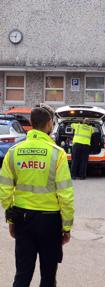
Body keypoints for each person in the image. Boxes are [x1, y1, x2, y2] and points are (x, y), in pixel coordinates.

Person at [0, 106, 74, 287]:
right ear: (49, 124)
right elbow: (65, 194)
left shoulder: (14, 151)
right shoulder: (57, 153)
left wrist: (11, 219)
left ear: (31, 124)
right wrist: (66, 226)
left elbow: (5, 189)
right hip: (50, 222)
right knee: (48, 276)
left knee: (22, 274)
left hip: (22, 219)